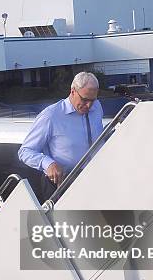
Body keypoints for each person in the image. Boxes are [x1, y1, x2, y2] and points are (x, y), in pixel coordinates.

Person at [18, 72, 104, 202]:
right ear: (73, 91)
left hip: (92, 180)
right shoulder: (50, 115)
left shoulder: (97, 107)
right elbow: (25, 151)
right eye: (85, 100)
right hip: (61, 184)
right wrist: (48, 164)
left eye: (93, 100)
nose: (89, 106)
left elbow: (99, 135)